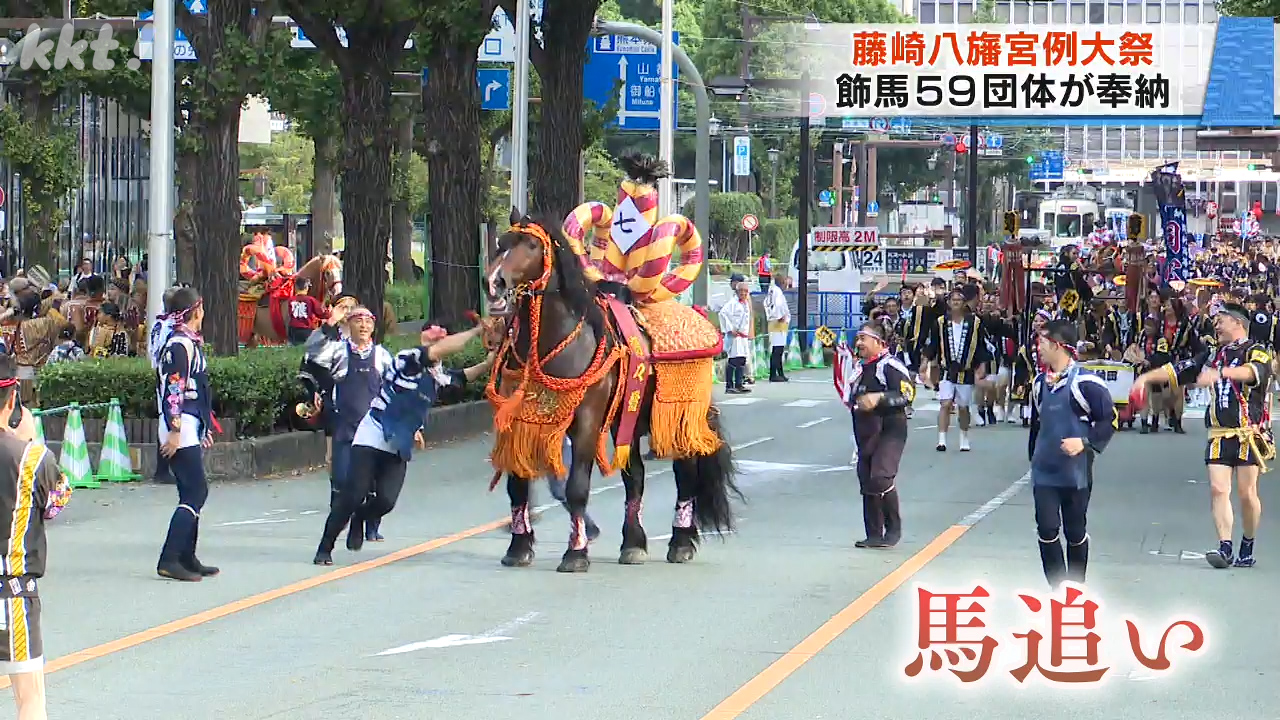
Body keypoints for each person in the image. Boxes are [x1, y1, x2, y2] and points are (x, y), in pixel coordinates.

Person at [313, 320, 494, 565]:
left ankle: (361, 517)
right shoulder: (408, 358)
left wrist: (489, 363)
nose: (436, 344)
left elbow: (461, 377)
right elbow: (441, 351)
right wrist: (475, 330)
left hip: (399, 441)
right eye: (432, 340)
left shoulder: (437, 375)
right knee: (353, 494)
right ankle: (325, 547)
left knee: (386, 501)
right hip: (374, 432)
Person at [1134, 302, 1273, 569]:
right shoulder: (1213, 355)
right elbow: (1179, 369)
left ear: (1238, 323)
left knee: (1247, 494)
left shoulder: (1257, 351)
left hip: (1248, 434)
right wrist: (1146, 379)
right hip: (1219, 433)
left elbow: (1253, 373)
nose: (1216, 325)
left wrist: (1221, 373)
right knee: (1218, 489)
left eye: (1221, 320)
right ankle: (1225, 547)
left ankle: (1248, 542)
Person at [0, 354, 72, 720]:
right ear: (12, 401)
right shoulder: (33, 458)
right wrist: (28, 440)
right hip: (12, 594)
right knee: (30, 699)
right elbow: (56, 504)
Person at [1027, 320, 1116, 588]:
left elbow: (1109, 420)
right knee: (1046, 529)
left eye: (1042, 343)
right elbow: (1036, 425)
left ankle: (1076, 588)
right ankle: (1058, 590)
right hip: (1044, 471)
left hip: (1075, 473)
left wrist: (1086, 442)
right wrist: (1033, 459)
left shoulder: (1086, 383)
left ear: (1057, 345)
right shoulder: (1039, 383)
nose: (1038, 348)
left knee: (1075, 531)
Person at [303, 302, 394, 543]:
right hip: (346, 425)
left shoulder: (382, 356)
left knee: (375, 482)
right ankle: (337, 524)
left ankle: (370, 525)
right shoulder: (338, 351)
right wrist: (329, 323)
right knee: (342, 479)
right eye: (357, 320)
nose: (363, 325)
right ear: (348, 324)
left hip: (374, 428)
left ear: (374, 327)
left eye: (368, 321)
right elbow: (312, 352)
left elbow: (395, 389)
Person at [150, 286, 219, 582]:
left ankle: (186, 556)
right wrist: (176, 432)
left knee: (191, 491)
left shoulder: (187, 343)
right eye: (200, 309)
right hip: (179, 423)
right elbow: (174, 392)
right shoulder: (179, 345)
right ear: (195, 312)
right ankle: (169, 558)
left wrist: (202, 427)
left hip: (189, 423)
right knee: (196, 490)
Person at [843, 321, 913, 548]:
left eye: (864, 338)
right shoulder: (860, 368)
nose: (859, 343)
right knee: (866, 479)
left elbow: (907, 394)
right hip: (866, 431)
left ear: (878, 342)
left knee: (880, 477)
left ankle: (893, 530)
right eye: (858, 338)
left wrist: (879, 398)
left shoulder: (890, 365)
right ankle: (873, 534)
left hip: (890, 428)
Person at [927, 288, 988, 451]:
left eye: (959, 300)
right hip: (947, 369)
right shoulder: (940, 322)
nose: (955, 303)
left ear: (964, 303)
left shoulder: (974, 323)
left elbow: (981, 346)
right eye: (952, 300)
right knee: (945, 403)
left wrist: (982, 365)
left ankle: (964, 436)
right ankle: (942, 439)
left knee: (963, 407)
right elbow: (932, 345)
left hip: (966, 370)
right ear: (948, 303)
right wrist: (925, 362)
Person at [718, 282, 752, 394]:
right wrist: (729, 329)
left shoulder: (745, 303)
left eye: (745, 291)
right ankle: (729, 385)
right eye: (741, 291)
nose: (743, 293)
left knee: (742, 359)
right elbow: (722, 314)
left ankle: (739, 384)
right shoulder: (732, 303)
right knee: (733, 359)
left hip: (742, 337)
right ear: (737, 292)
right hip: (734, 336)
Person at [763, 274, 791, 382]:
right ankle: (773, 375)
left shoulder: (772, 290)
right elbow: (778, 305)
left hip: (774, 322)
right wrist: (779, 316)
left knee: (778, 350)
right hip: (778, 323)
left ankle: (779, 373)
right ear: (782, 282)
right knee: (777, 350)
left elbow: (766, 303)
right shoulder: (777, 292)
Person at [287, 277, 328, 346]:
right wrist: (329, 312)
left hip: (292, 331)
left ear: (296, 287)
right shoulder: (310, 300)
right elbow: (321, 314)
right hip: (306, 331)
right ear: (306, 288)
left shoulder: (291, 300)